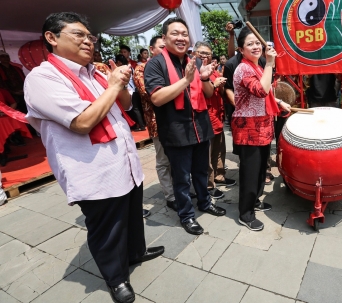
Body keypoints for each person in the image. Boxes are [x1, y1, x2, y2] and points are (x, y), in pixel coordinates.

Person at [24, 12, 164, 303]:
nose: (88, 41)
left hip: (123, 163)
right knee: (107, 228)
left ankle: (136, 252)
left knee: (130, 216)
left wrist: (119, 81)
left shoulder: (95, 72)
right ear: (52, 38)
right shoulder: (42, 78)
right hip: (94, 171)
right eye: (79, 35)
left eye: (90, 37)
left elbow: (124, 104)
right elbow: (82, 122)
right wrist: (112, 85)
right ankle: (116, 278)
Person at [144, 17, 226, 235]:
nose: (181, 38)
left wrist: (205, 78)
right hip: (176, 130)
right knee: (181, 178)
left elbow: (207, 94)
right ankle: (187, 215)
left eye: (184, 34)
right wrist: (186, 80)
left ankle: (205, 202)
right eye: (175, 33)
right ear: (164, 37)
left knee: (201, 171)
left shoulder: (196, 61)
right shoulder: (155, 64)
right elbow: (157, 98)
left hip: (200, 126)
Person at [232, 27, 291, 231]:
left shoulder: (257, 67)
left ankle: (255, 200)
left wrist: (279, 101)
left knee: (259, 170)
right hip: (249, 128)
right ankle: (245, 213)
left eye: (258, 42)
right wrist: (271, 64)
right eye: (250, 44)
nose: (256, 46)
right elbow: (260, 89)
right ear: (241, 49)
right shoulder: (244, 69)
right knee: (250, 172)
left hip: (263, 125)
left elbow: (266, 93)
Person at [133, 35, 178, 211]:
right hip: (156, 122)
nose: (165, 50)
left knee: (177, 158)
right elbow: (148, 93)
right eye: (161, 47)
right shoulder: (142, 68)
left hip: (175, 121)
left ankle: (180, 189)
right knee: (163, 160)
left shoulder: (172, 65)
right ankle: (170, 195)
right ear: (152, 50)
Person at [193, 41, 236, 199]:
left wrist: (220, 84)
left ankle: (219, 175)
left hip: (218, 116)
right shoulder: (193, 70)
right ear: (194, 53)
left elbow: (221, 91)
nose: (204, 56)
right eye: (201, 53)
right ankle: (209, 186)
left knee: (219, 150)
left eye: (208, 53)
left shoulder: (214, 70)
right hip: (205, 118)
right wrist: (213, 83)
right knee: (207, 155)